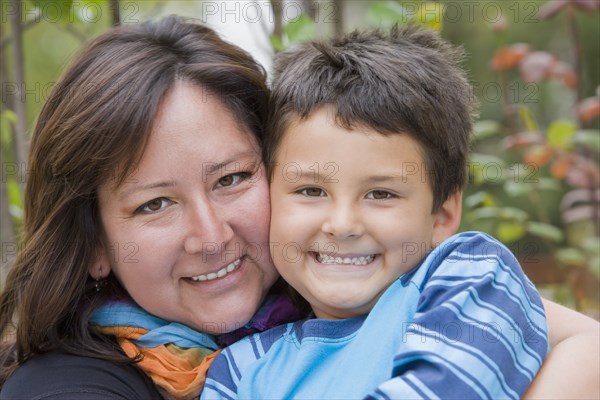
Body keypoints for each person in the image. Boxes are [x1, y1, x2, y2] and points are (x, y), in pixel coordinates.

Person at [0, 16, 597, 400]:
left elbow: (587, 345)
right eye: (155, 203)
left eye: (232, 178)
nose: (210, 236)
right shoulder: (71, 389)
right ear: (97, 242)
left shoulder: (386, 299)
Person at [199, 26, 584, 399]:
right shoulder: (240, 368)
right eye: (311, 191)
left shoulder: (472, 278)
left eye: (380, 193)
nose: (342, 225)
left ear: (442, 216)